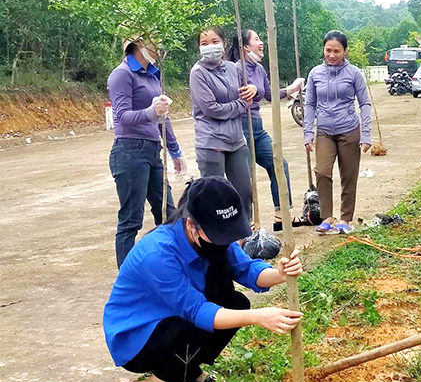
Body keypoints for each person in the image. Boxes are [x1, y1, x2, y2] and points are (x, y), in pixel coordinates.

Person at [103, 176, 304, 382]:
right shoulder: (157, 253)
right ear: (191, 225)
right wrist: (260, 317)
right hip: (137, 336)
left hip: (174, 320)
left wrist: (279, 274)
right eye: (220, 233)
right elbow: (197, 312)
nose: (228, 240)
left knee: (236, 304)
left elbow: (246, 269)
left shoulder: (213, 239)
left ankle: (184, 372)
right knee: (211, 316)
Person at [107, 38, 188, 268]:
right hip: (130, 150)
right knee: (131, 219)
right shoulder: (122, 75)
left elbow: (163, 116)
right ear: (138, 44)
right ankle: (128, 276)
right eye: (154, 42)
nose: (158, 46)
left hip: (153, 150)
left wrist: (174, 149)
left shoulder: (153, 74)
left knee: (168, 212)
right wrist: (151, 112)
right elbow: (121, 117)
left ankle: (172, 265)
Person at [229, 29, 305, 231]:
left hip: (257, 127)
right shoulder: (237, 69)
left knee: (279, 164)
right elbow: (234, 95)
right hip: (240, 127)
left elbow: (270, 95)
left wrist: (292, 88)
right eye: (256, 39)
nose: (261, 43)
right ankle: (246, 226)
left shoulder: (259, 69)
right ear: (246, 47)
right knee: (245, 178)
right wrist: (250, 90)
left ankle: (282, 215)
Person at [303, 30, 372, 235]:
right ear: (323, 49)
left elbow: (365, 103)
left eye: (337, 51)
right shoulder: (315, 73)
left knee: (348, 175)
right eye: (328, 50)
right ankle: (327, 217)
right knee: (322, 171)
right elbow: (309, 104)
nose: (332, 55)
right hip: (324, 131)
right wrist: (308, 133)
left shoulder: (354, 73)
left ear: (344, 51)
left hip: (349, 129)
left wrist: (366, 134)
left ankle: (345, 218)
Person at [189, 27, 257, 222]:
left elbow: (252, 91)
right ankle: (217, 241)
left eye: (215, 41)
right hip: (211, 142)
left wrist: (252, 89)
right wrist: (242, 105)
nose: (210, 47)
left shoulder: (233, 68)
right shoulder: (198, 73)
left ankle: (244, 236)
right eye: (204, 43)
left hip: (236, 141)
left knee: (244, 192)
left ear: (224, 43)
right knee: (215, 197)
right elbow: (211, 109)